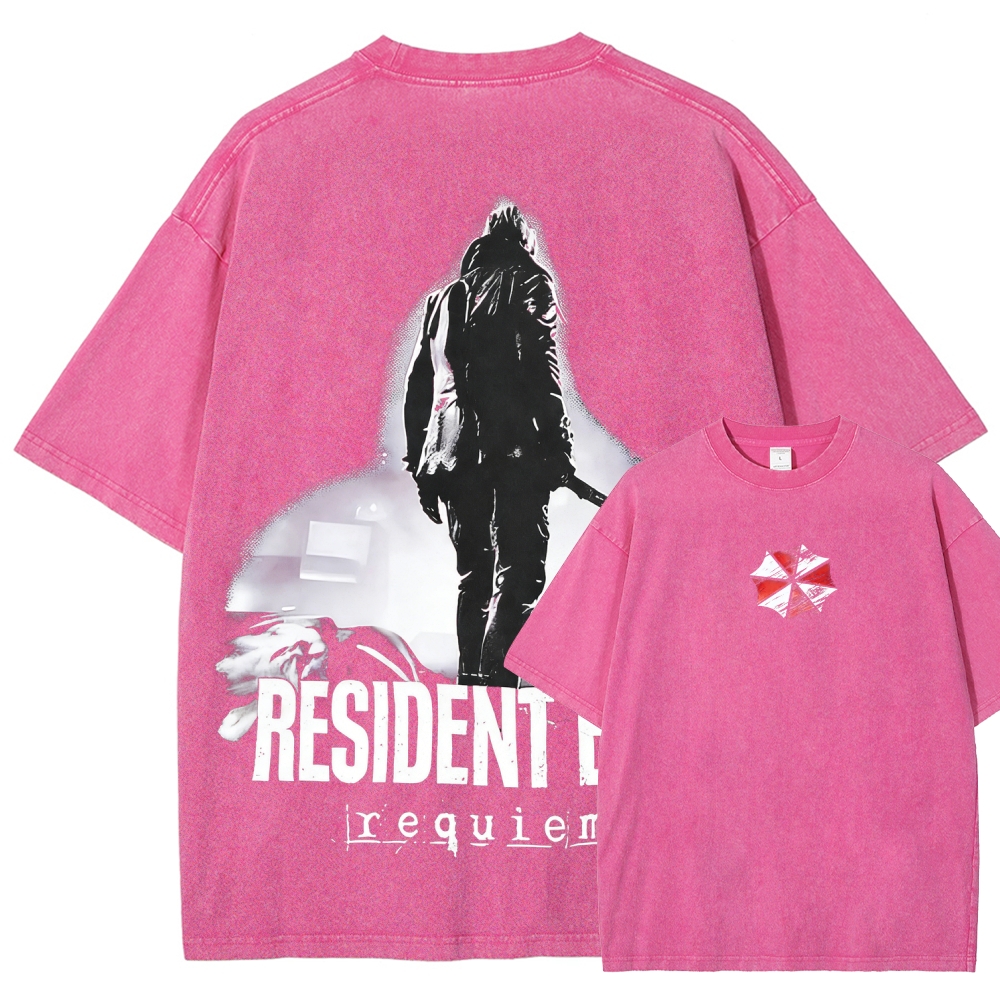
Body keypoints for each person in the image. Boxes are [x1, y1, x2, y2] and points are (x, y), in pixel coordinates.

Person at [403, 205, 574, 686]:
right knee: (520, 577)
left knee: (474, 580)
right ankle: (498, 692)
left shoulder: (442, 301)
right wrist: (558, 446)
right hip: (515, 455)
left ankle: (472, 688)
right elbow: (542, 370)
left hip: (451, 460)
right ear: (524, 241)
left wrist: (420, 467)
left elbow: (417, 390)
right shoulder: (530, 280)